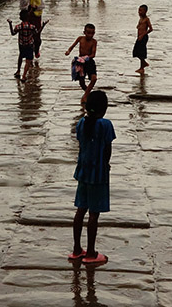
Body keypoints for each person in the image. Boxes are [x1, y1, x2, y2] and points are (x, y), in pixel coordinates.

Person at [68, 90, 114, 266]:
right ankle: (92, 252)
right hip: (98, 173)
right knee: (94, 215)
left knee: (80, 210)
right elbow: (107, 149)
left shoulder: (81, 123)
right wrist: (106, 164)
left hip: (83, 172)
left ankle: (77, 249)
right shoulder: (105, 125)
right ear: (104, 109)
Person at [7, 9, 48, 82]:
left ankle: (18, 70)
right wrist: (43, 25)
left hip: (21, 44)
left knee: (20, 56)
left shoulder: (18, 27)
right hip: (29, 45)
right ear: (29, 17)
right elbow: (37, 33)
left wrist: (10, 24)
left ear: (20, 18)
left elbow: (13, 33)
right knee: (28, 61)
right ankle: (24, 75)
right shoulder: (32, 27)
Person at [65, 23, 98, 103]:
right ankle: (88, 94)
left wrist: (87, 57)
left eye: (92, 33)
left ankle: (85, 96)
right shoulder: (80, 38)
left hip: (89, 61)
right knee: (82, 83)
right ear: (84, 32)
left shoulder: (94, 42)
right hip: (80, 62)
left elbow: (93, 54)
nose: (90, 35)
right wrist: (68, 51)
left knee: (94, 79)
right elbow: (72, 46)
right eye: (88, 33)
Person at [133, 4, 153, 73]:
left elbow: (151, 29)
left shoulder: (147, 19)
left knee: (141, 52)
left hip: (143, 37)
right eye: (139, 10)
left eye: (141, 11)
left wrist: (143, 34)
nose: (139, 12)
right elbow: (138, 26)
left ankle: (142, 67)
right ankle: (143, 63)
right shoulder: (140, 19)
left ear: (145, 11)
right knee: (136, 51)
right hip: (139, 37)